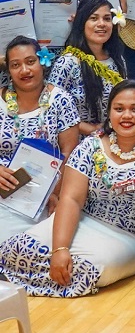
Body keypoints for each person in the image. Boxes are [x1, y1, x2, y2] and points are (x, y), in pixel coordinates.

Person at [0, 80, 135, 297]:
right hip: (83, 222)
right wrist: (60, 250)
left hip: (131, 237)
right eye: (119, 109)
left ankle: (30, 279)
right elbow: (71, 200)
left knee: (90, 269)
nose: (126, 116)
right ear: (110, 112)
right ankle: (52, 274)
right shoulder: (90, 146)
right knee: (13, 249)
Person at [0, 37, 81, 244]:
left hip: (46, 193)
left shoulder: (61, 100)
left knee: (35, 244)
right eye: (15, 65)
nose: (24, 70)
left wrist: (56, 193)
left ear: (42, 62)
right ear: (8, 70)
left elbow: (70, 151)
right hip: (3, 190)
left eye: (30, 61)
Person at [48, 0, 129, 136]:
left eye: (107, 18)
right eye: (94, 18)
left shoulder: (118, 60)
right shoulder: (68, 62)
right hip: (77, 141)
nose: (101, 24)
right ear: (81, 23)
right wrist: (91, 130)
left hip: (113, 138)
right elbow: (50, 107)